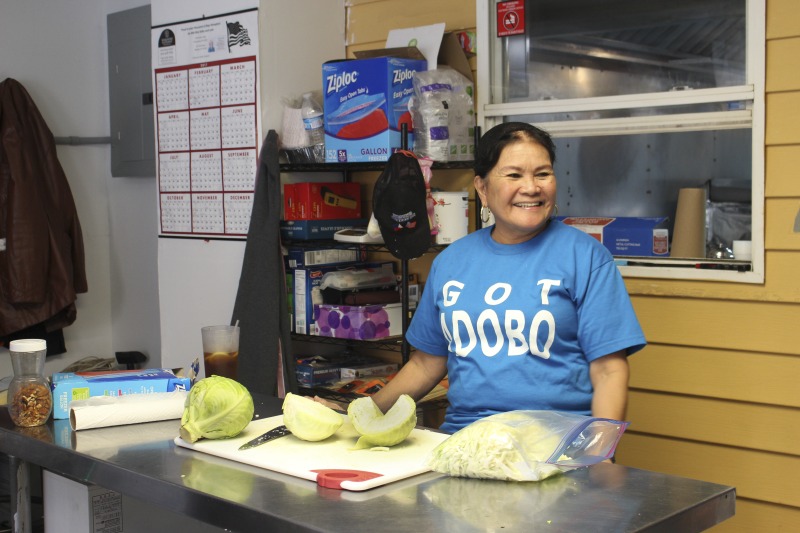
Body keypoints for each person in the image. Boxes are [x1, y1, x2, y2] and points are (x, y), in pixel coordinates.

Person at [367, 122, 645, 433]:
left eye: (542, 173)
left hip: (555, 446)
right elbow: (425, 364)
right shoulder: (450, 263)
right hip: (464, 440)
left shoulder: (586, 258)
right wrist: (359, 415)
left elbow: (609, 370)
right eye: (514, 175)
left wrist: (600, 452)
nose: (531, 187)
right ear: (482, 189)